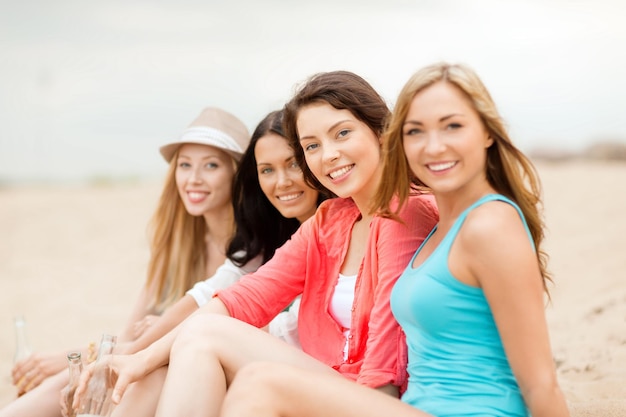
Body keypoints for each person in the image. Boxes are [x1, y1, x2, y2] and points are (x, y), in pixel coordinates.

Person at [73, 70, 439, 417]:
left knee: (204, 335)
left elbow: (387, 360)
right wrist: (141, 358)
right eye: (312, 146)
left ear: (380, 131)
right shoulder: (331, 220)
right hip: (332, 381)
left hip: (375, 399)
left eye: (342, 134)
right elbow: (244, 298)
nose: (327, 155)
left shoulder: (406, 211)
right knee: (166, 360)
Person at [217, 62, 571, 417]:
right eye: (415, 131)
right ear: (399, 139)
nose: (433, 146)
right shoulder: (441, 226)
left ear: (487, 132)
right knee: (252, 381)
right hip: (419, 408)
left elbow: (541, 383)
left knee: (260, 384)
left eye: (453, 126)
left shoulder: (489, 225)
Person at [74, 109, 326, 416]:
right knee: (164, 360)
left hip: (317, 381)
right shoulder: (276, 236)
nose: (282, 181)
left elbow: (225, 308)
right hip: (273, 367)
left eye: (293, 164)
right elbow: (213, 294)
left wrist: (159, 344)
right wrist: (141, 350)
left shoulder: (334, 227)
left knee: (191, 343)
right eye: (267, 170)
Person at [1, 106, 250, 417]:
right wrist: (75, 359)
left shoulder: (250, 252)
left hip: (209, 378)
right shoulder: (178, 244)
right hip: (149, 362)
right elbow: (130, 335)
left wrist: (73, 356)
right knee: (68, 380)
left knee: (147, 374)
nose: (194, 179)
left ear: (237, 174)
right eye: (185, 165)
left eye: (211, 165)